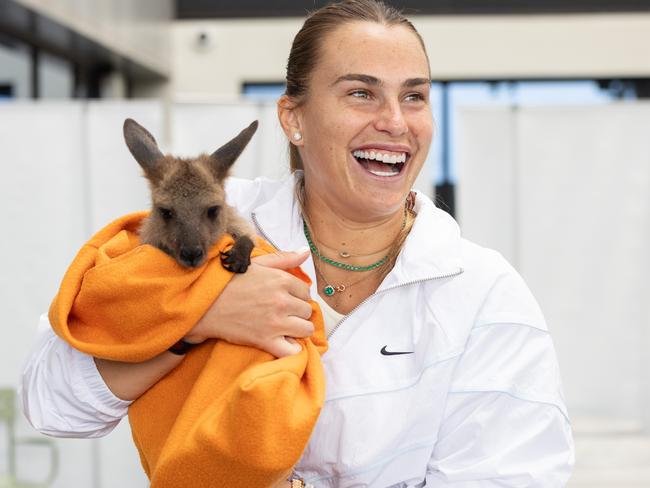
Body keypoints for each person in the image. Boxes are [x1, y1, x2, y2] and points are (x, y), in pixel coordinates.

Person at [20, 0, 574, 486]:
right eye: (361, 93)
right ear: (294, 118)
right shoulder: (203, 223)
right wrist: (195, 317)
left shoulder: (482, 292)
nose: (394, 122)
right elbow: (52, 404)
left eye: (414, 97)